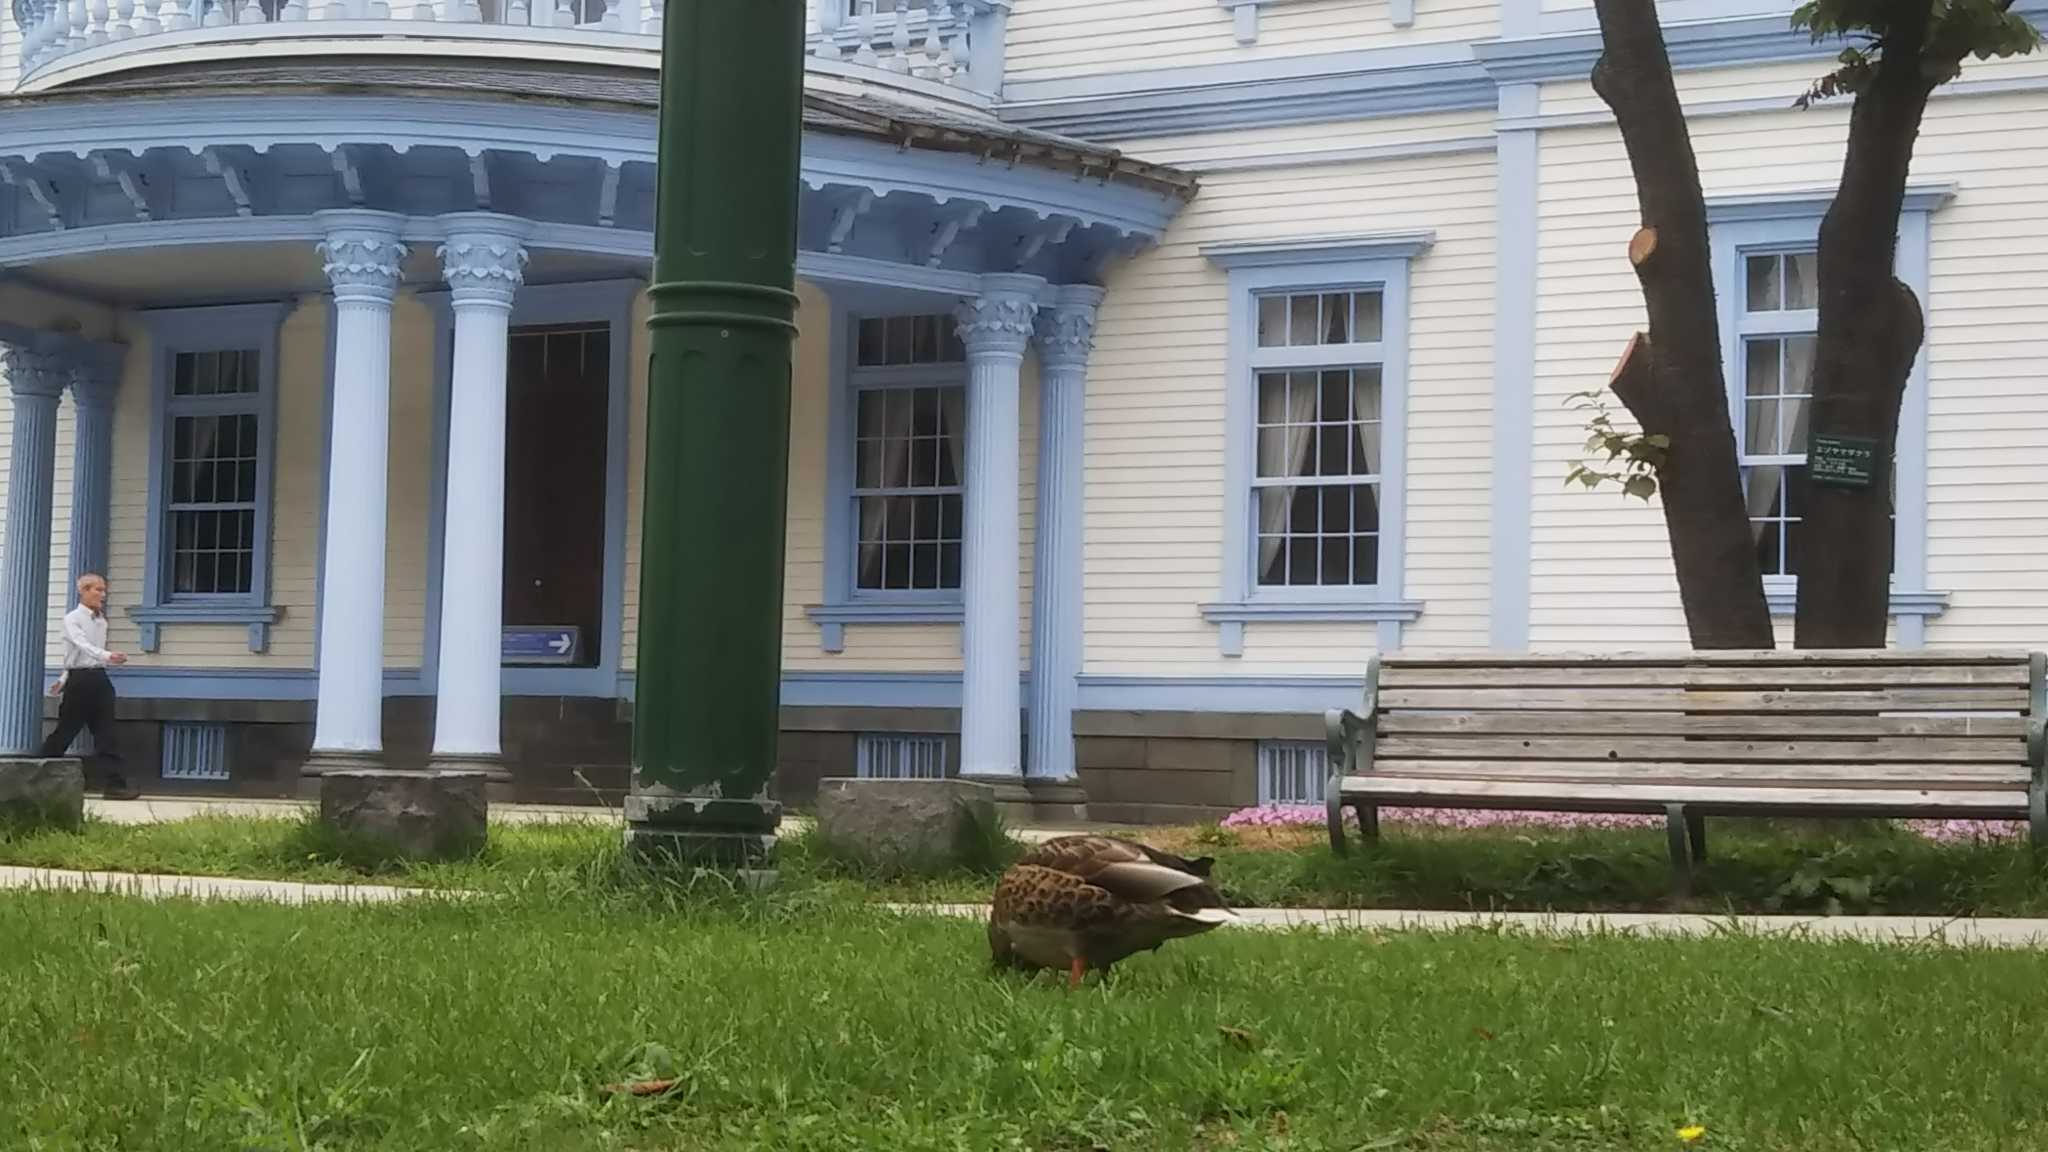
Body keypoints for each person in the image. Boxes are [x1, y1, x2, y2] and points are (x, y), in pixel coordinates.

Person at [42, 572, 138, 800]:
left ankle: (116, 785)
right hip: (80, 682)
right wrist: (67, 679)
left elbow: (85, 653)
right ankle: (35, 775)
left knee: (107, 733)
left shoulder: (101, 620)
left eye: (103, 590)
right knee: (65, 732)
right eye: (98, 589)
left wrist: (104, 659)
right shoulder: (72, 619)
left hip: (99, 679)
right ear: (84, 591)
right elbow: (80, 647)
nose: (102, 595)